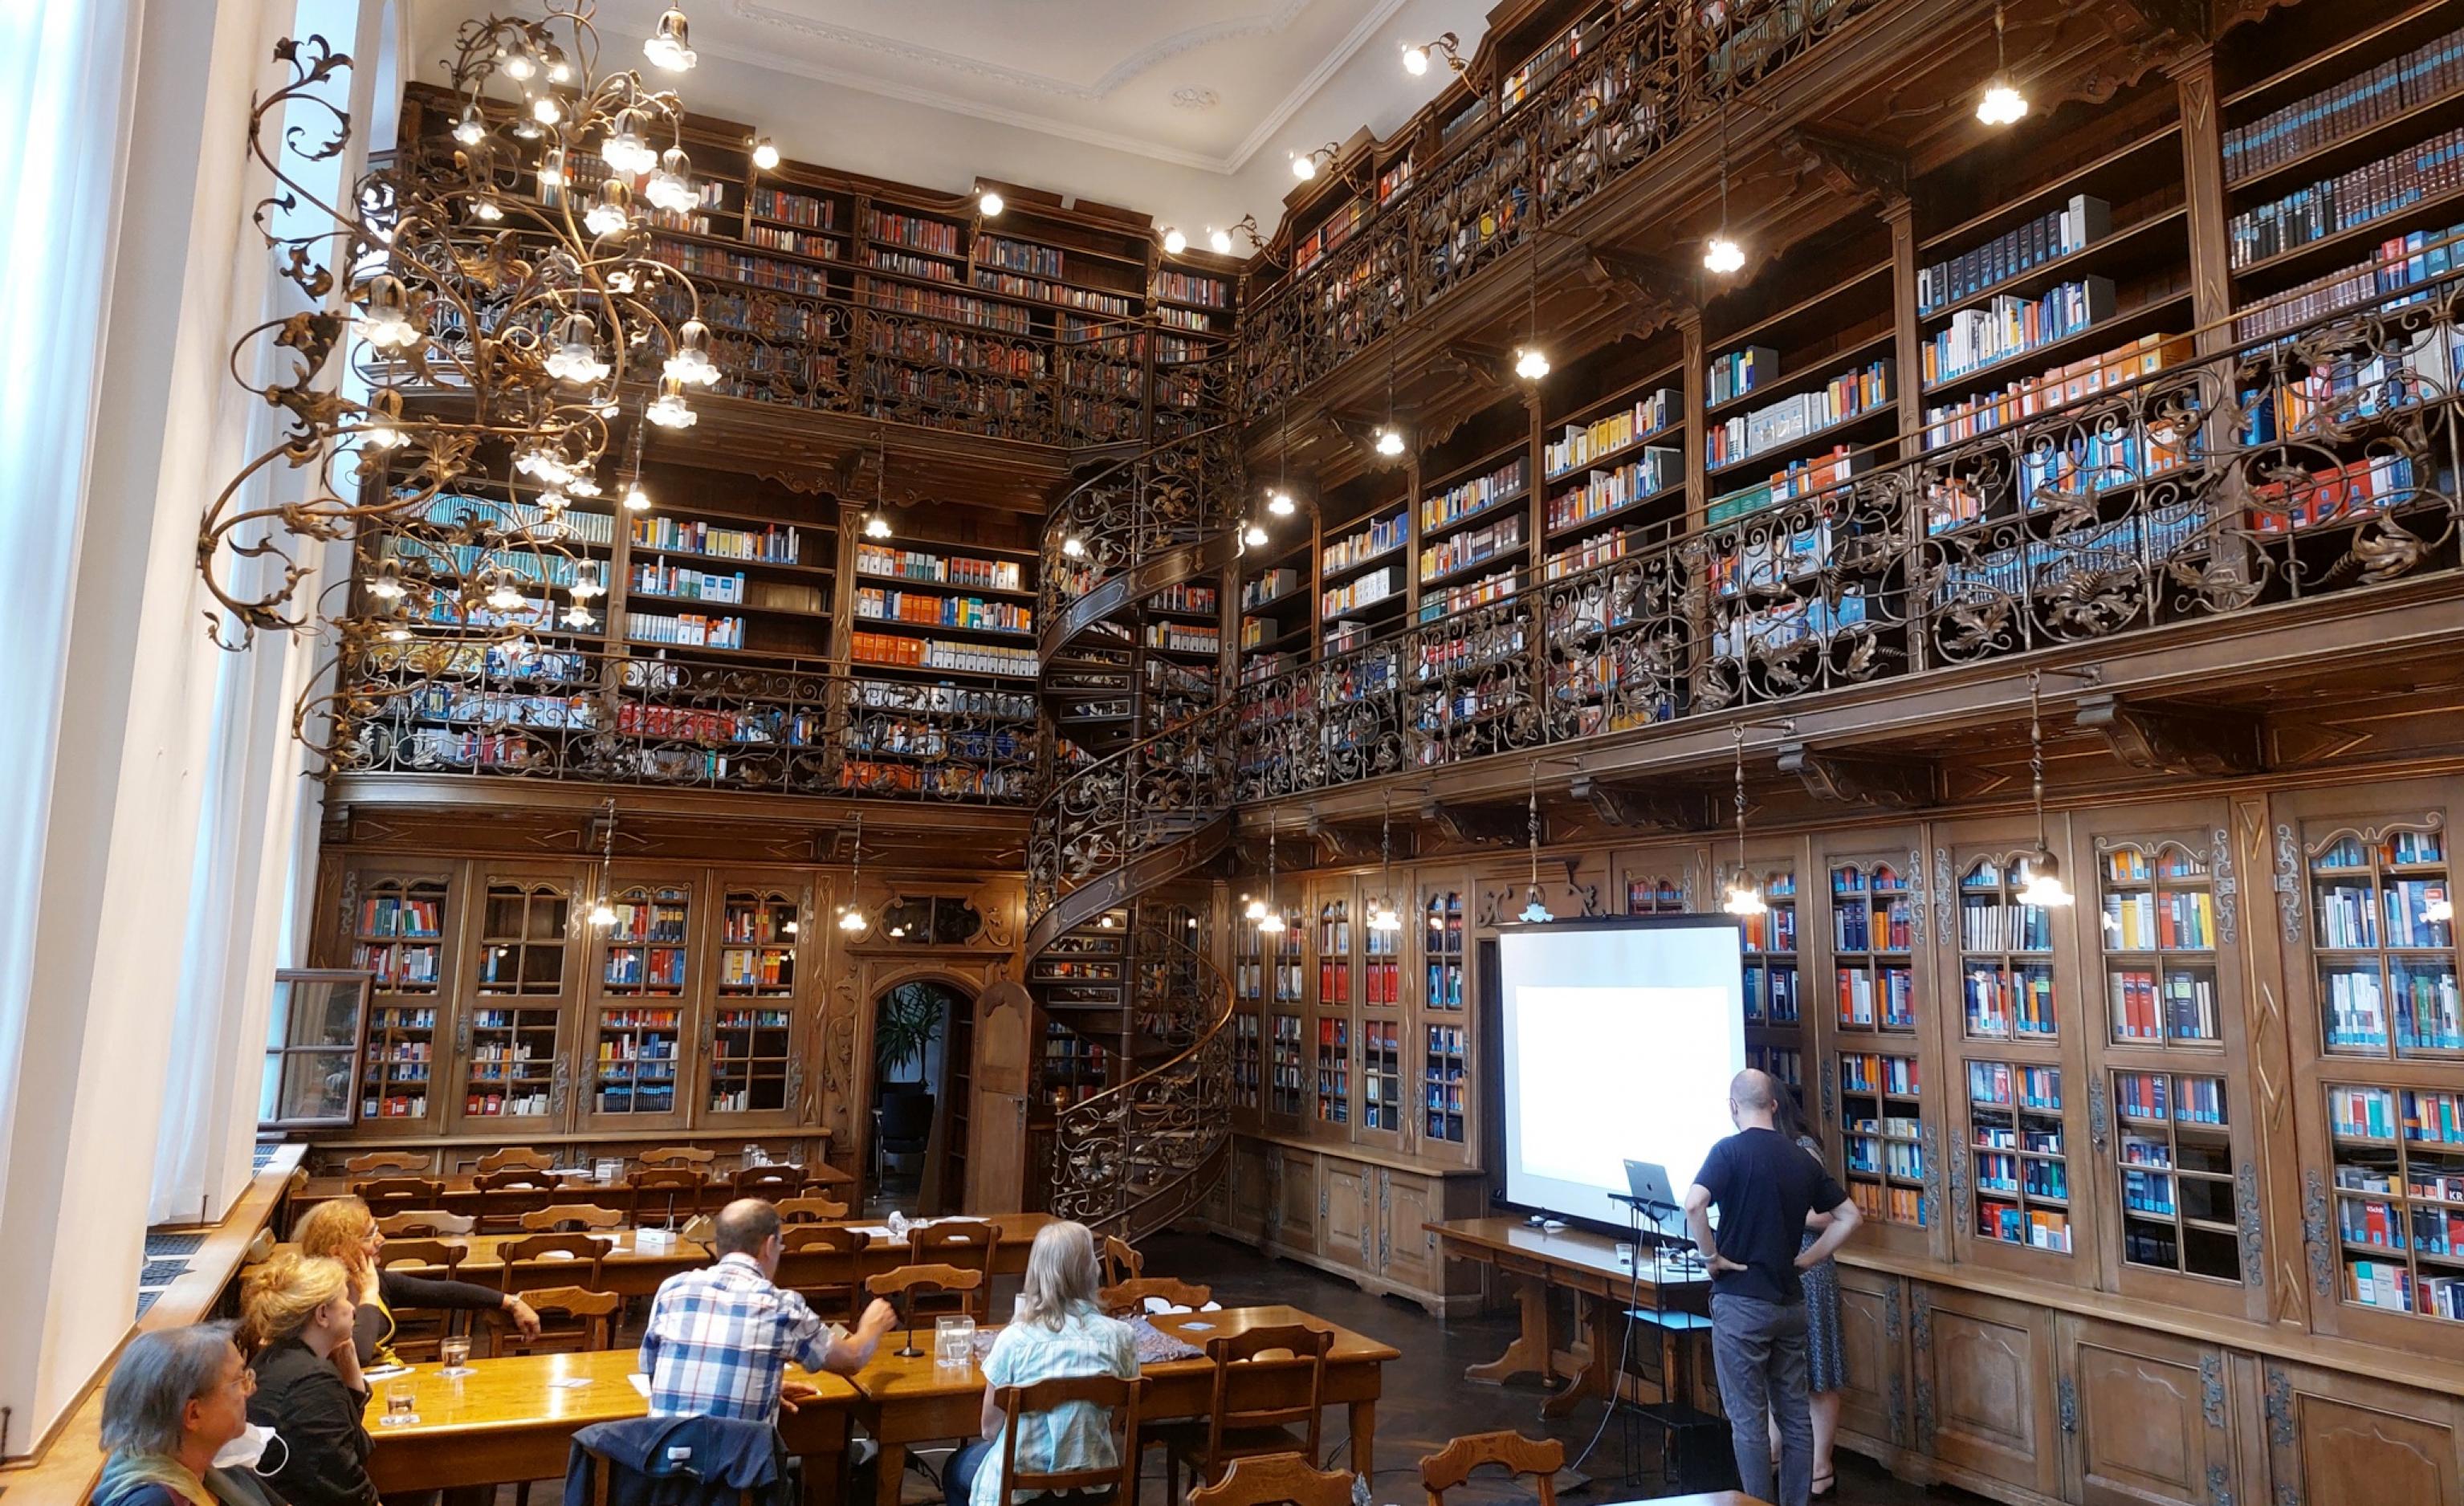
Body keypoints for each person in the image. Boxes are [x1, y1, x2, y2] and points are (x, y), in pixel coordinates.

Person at [1685, 1068, 1862, 1506]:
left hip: (1741, 1304)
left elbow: (1693, 1203)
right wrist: (1808, 1258)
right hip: (1790, 1304)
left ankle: (1756, 1505)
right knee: (1796, 1419)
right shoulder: (1800, 1157)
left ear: (1732, 1107)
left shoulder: (1728, 1152)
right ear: (1775, 1105)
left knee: (1748, 1422)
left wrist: (1711, 1257)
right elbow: (1850, 1217)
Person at [640, 1198, 898, 1421]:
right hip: (740, 1471)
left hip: (663, 1465)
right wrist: (871, 1327)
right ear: (769, 1245)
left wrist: (758, 1388)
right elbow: (852, 1359)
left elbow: (654, 1373)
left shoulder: (672, 1289)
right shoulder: (781, 1306)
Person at [946, 1221, 1138, 1506]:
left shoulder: (1014, 1340)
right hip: (1094, 1485)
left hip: (1023, 1492)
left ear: (1036, 1271)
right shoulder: (1121, 1337)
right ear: (1090, 1271)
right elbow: (1118, 1418)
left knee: (955, 1468)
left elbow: (989, 1429)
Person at [293, 1197, 537, 1369]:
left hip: (390, 1380)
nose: (382, 1239)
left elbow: (442, 1292)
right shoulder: (319, 1300)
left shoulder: (375, 1280)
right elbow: (359, 1355)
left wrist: (511, 1302)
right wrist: (368, 1294)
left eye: (377, 1229)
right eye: (370, 1235)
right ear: (337, 1252)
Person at [239, 1252, 377, 1506]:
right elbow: (349, 1493)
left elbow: (343, 1445)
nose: (353, 1309)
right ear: (322, 1314)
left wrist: (352, 1372)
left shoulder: (274, 1359)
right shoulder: (311, 1384)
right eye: (346, 1300)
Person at [95, 1325, 287, 1506]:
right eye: (239, 1381)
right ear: (193, 1414)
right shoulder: (153, 1501)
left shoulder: (215, 1463)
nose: (250, 1390)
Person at [1767, 1082, 1846, 1499]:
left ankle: (1821, 1463)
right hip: (1780, 1266)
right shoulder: (1764, 1146)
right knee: (1780, 1371)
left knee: (1819, 1371)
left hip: (1810, 1265)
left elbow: (1827, 1215)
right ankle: (1776, 1452)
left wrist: (1784, 1206)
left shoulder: (1802, 1147)